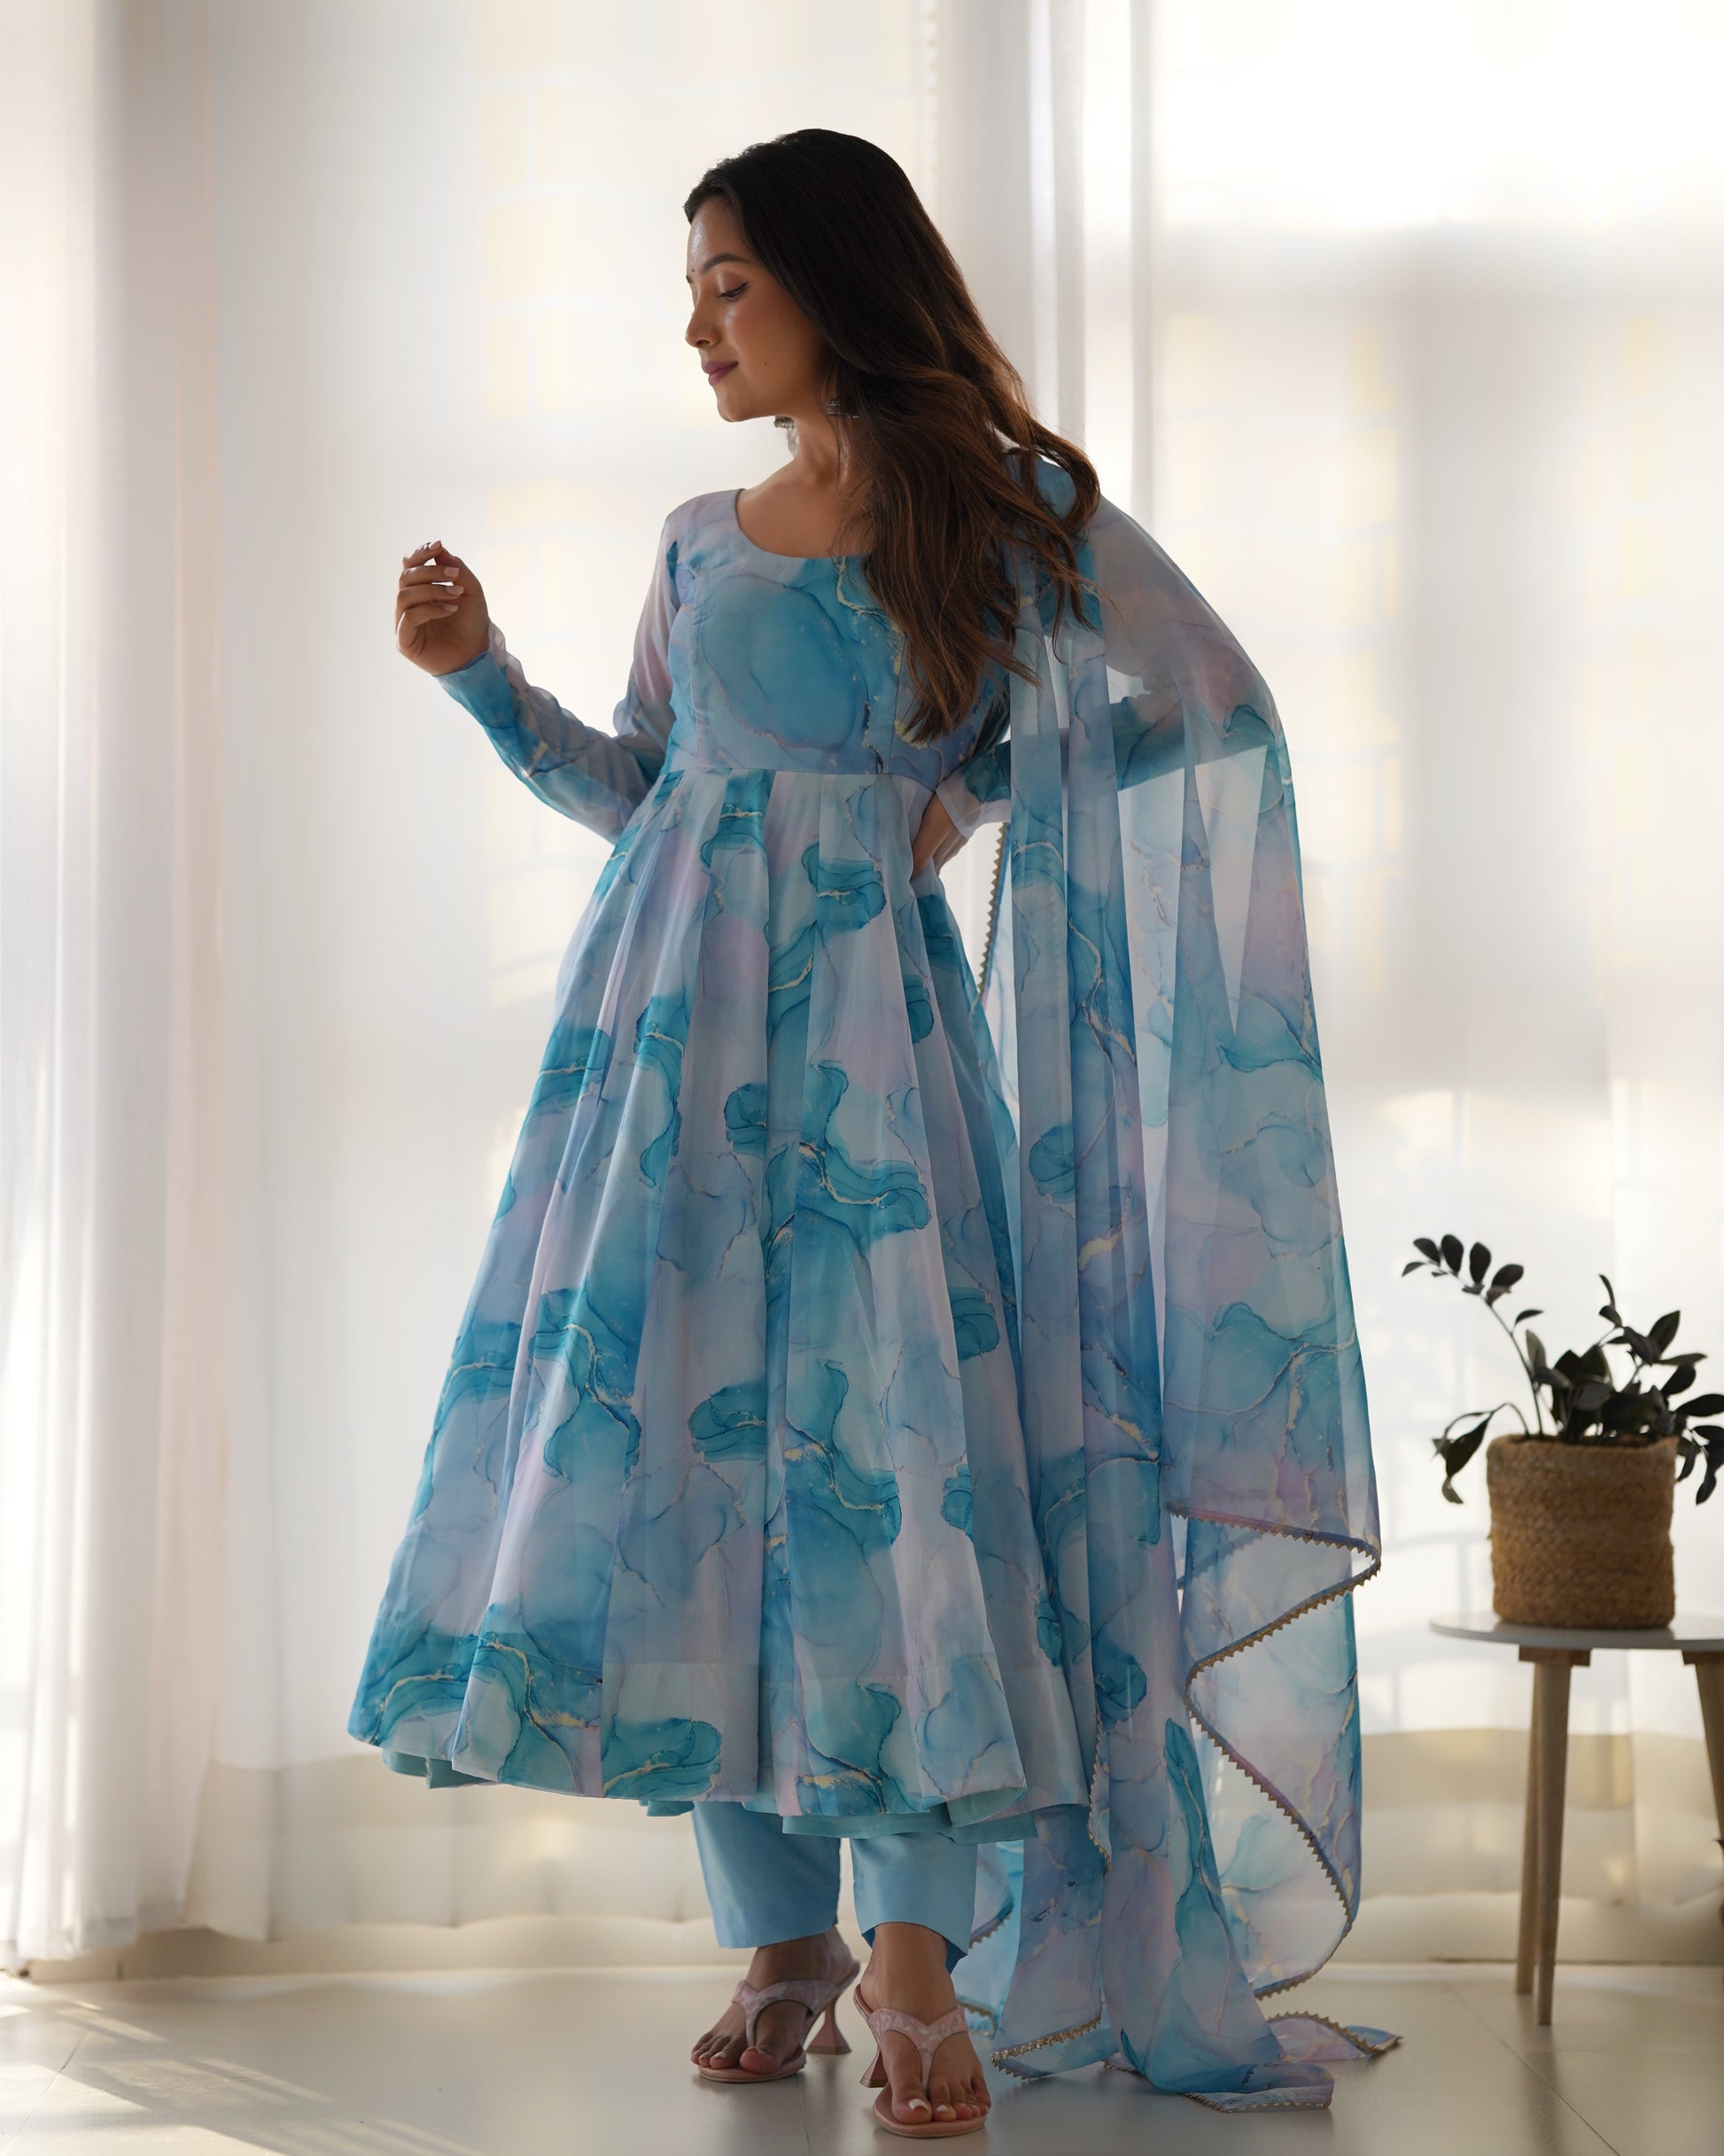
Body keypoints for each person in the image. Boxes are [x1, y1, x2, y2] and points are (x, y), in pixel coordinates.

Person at [350, 129, 1388, 2129]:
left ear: (836, 279)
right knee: (699, 1472)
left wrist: (983, 798)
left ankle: (916, 1948)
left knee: (902, 1478)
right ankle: (781, 1937)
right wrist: (479, 682)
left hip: (882, 1080)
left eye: (728, 282)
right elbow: (642, 788)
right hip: (662, 1062)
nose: (697, 325)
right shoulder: (695, 539)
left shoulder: (998, 512)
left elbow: (1203, 697)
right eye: (690, 288)